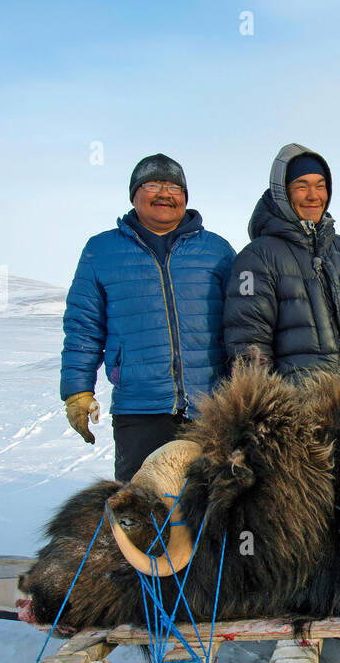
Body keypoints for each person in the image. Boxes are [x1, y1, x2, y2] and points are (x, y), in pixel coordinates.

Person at [61, 153, 235, 481]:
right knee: (142, 512)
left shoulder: (217, 250)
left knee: (211, 506)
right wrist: (77, 390)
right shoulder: (102, 251)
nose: (164, 194)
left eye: (174, 187)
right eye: (152, 185)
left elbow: (242, 321)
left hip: (211, 405)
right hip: (139, 408)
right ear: (134, 195)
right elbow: (83, 327)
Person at [223, 144, 340, 379]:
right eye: (301, 186)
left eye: (320, 186)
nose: (313, 196)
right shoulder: (257, 258)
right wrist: (269, 411)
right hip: (304, 410)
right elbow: (249, 345)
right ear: (283, 192)